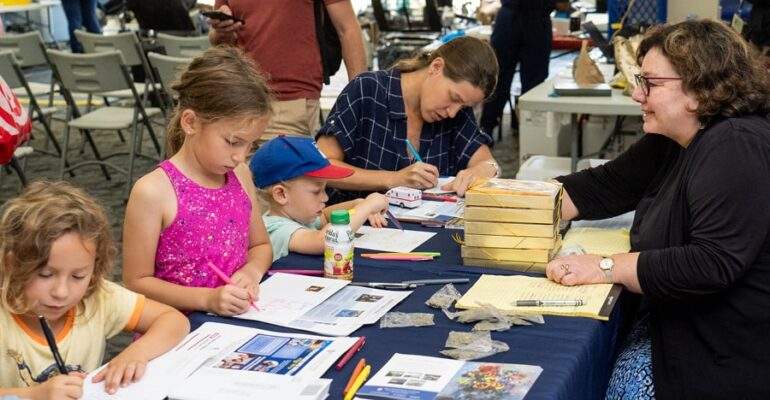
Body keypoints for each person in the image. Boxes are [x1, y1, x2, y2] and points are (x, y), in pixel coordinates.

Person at [543, 20, 770, 399]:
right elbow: (604, 187)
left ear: (698, 89)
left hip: (723, 354)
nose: (636, 94)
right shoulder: (677, 137)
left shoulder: (737, 145)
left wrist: (604, 266)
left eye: (650, 82)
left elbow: (709, 263)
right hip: (679, 323)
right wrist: (506, 200)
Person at [0, 181, 189, 398]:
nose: (61, 292)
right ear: (11, 264)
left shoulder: (98, 297)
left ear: (95, 268)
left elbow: (173, 320)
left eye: (78, 276)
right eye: (45, 274)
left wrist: (136, 353)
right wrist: (33, 395)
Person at [122, 46, 273, 317]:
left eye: (251, 145)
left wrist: (252, 270)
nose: (241, 156)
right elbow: (137, 282)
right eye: (233, 142)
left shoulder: (239, 175)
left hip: (236, 318)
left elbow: (260, 245)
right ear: (190, 122)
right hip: (177, 329)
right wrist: (207, 299)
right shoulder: (153, 191)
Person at [316, 36, 502, 204]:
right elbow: (320, 167)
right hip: (355, 227)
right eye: (454, 98)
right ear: (436, 67)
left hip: (425, 232)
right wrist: (393, 179)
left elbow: (487, 162)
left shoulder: (457, 112)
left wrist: (484, 170)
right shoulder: (368, 90)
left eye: (463, 106)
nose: (453, 113)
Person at [208, 0, 367, 136]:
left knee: (281, 170)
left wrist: (359, 101)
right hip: (238, 99)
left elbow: (348, 30)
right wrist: (222, 30)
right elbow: (217, 39)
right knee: (234, 171)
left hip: (290, 100)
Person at [250, 136, 389, 261]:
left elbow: (325, 217)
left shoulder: (298, 215)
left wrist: (356, 203)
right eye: (317, 191)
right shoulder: (274, 228)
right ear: (281, 194)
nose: (326, 197)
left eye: (325, 189)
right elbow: (323, 241)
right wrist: (366, 207)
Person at [479, 0, 570, 135]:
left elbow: (563, 4)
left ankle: (522, 127)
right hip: (525, 21)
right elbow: (563, 5)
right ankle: (494, 127)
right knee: (499, 78)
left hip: (526, 20)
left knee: (518, 81)